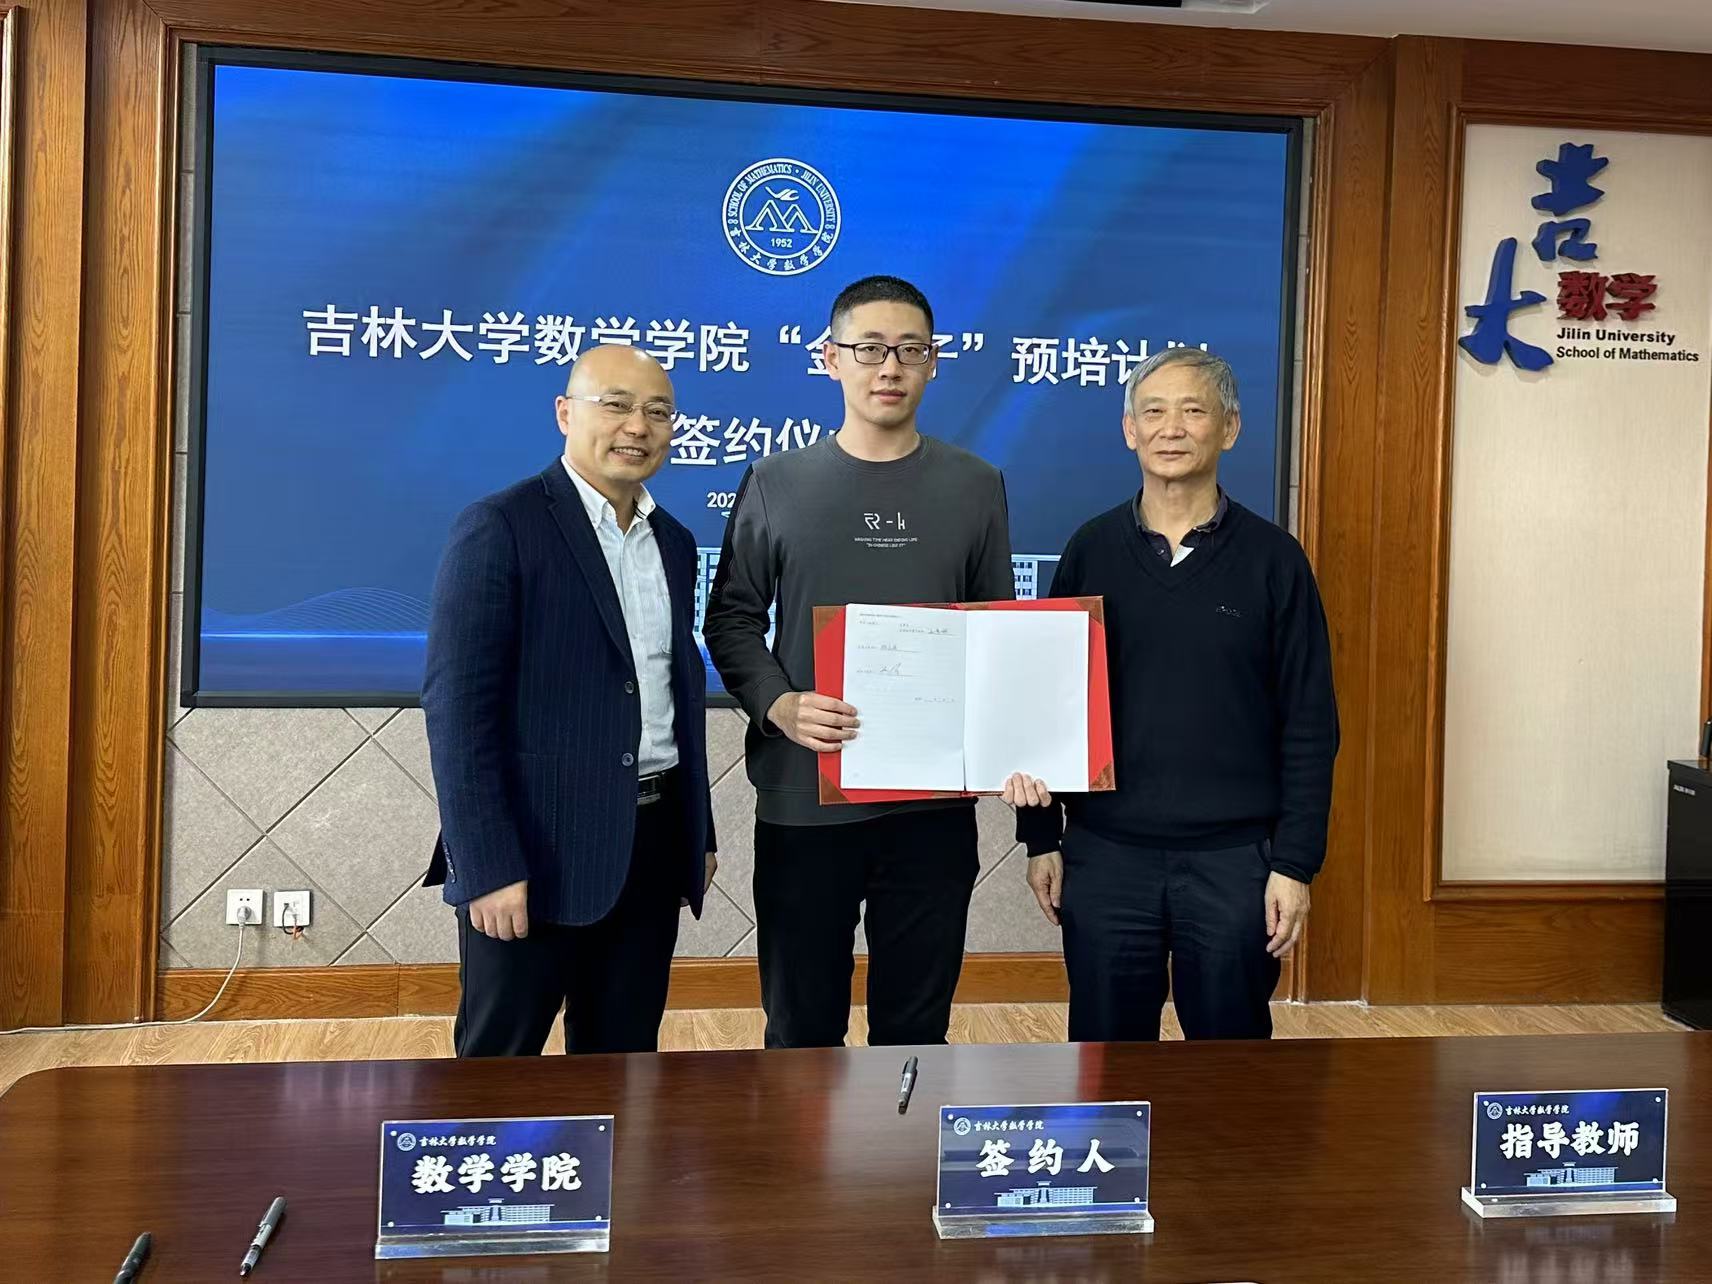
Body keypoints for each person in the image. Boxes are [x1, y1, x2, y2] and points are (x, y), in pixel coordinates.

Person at [704, 275, 1013, 1049]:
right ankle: (801, 1138)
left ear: (933, 362)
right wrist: (780, 704)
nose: (890, 367)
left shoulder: (977, 487)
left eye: (910, 350)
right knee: (801, 1026)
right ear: (830, 358)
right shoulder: (776, 482)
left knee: (916, 1028)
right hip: (806, 798)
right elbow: (731, 620)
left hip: (933, 805)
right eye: (869, 349)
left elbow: (1000, 637)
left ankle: (900, 1137)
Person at [1007, 346, 1338, 1041]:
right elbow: (1044, 702)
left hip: (1235, 862)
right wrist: (1040, 837)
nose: (1172, 428)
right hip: (1105, 855)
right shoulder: (1090, 549)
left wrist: (1293, 864)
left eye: (1194, 411)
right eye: (1153, 411)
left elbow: (1310, 723)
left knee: (1228, 1065)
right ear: (1129, 429)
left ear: (1230, 427)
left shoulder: (1275, 561)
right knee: (1106, 1060)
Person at [422, 344, 716, 1056]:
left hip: (649, 846)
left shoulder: (674, 543)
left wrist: (696, 834)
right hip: (532, 851)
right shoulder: (501, 525)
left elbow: (673, 698)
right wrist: (488, 864)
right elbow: (458, 712)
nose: (637, 426)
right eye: (615, 405)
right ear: (564, 413)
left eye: (658, 412)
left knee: (624, 1065)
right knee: (500, 1071)